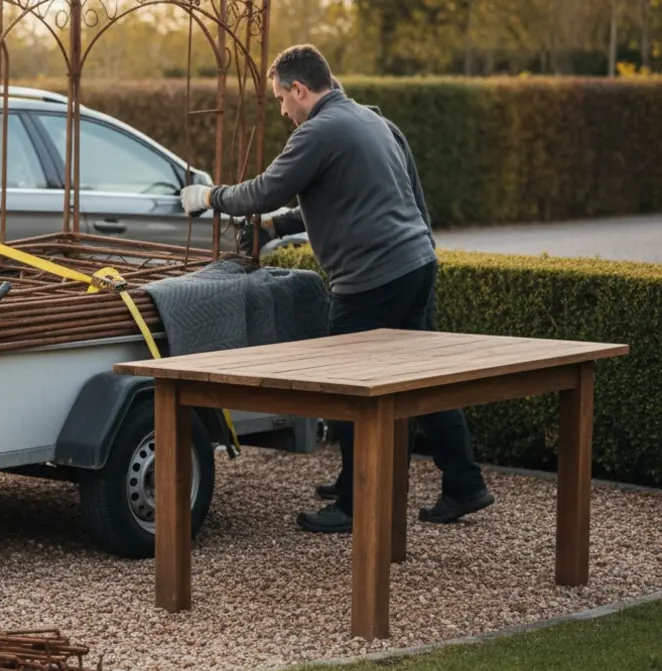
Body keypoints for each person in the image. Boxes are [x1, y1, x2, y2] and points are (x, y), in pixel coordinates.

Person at [179, 44, 494, 534]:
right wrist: (277, 229)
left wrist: (209, 196)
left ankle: (353, 504)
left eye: (282, 100)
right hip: (416, 264)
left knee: (350, 392)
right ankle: (463, 484)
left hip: (371, 280)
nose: (282, 111)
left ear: (300, 90)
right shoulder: (370, 121)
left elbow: (263, 190)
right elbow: (356, 198)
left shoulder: (319, 131)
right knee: (424, 380)